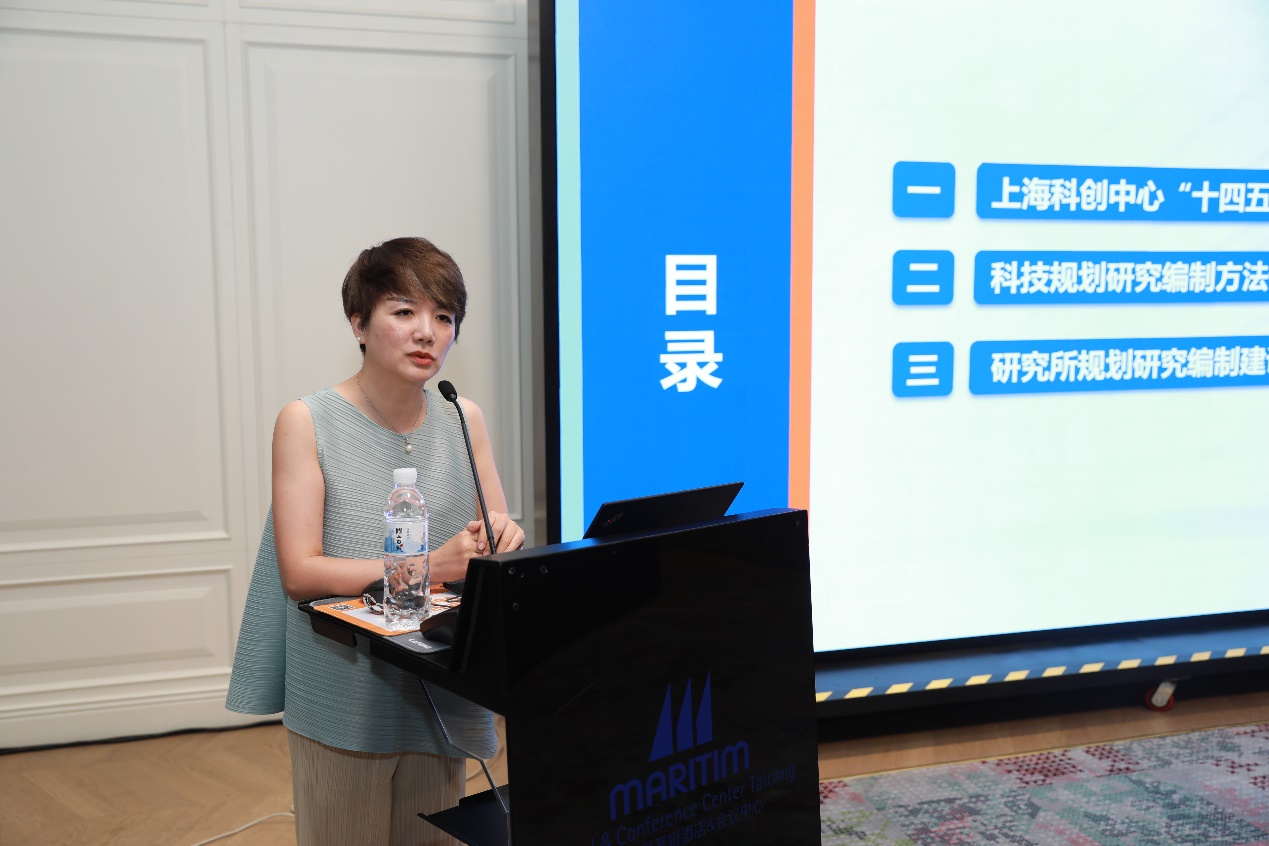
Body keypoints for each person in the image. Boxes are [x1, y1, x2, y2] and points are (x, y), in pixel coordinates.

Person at [226, 237, 524, 846]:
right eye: (404, 311)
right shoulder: (307, 419)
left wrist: (500, 538)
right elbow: (301, 572)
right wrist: (430, 564)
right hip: (344, 681)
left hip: (438, 673)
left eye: (444, 317)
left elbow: (490, 537)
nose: (427, 333)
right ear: (359, 323)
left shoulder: (461, 416)